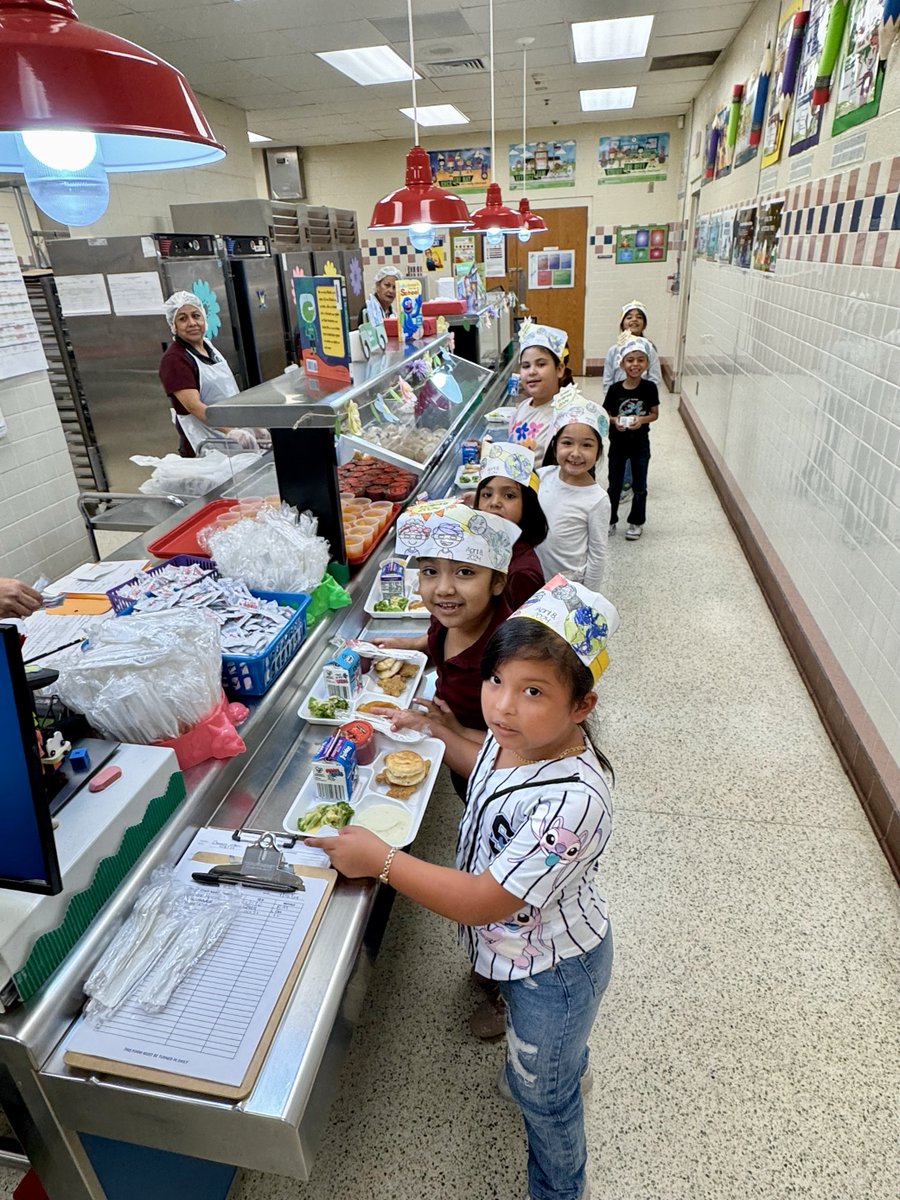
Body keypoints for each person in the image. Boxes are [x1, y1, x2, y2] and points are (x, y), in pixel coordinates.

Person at [306, 574, 619, 1200]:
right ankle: (556, 1066)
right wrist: (439, 730)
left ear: (581, 706)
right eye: (496, 681)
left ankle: (560, 1185)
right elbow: (483, 766)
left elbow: (485, 899)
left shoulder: (573, 801)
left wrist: (383, 861)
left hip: (553, 968)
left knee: (545, 1101)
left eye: (533, 691)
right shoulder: (520, 743)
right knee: (545, 1060)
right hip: (515, 951)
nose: (503, 706)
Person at [370, 501, 519, 739]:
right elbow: (440, 642)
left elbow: (516, 747)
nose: (443, 589)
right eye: (430, 571)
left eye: (465, 572)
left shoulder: (510, 657)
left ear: (498, 582)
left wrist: (450, 731)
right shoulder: (449, 616)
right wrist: (410, 645)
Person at [158, 290, 258, 458]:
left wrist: (252, 427)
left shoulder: (209, 347)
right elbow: (194, 406)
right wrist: (231, 432)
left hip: (234, 440)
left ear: (204, 317)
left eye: (196, 316)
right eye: (182, 319)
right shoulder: (174, 359)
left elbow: (228, 393)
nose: (192, 323)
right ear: (173, 326)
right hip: (207, 448)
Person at [536, 387, 611, 589]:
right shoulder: (543, 476)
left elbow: (597, 554)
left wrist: (590, 597)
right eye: (567, 443)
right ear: (555, 446)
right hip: (534, 576)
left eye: (587, 445)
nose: (576, 453)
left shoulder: (597, 499)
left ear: (598, 452)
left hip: (569, 586)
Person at [473, 442, 547, 608]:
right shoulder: (490, 547)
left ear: (527, 504)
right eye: (486, 494)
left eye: (509, 495)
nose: (495, 502)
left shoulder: (521, 574)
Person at [603, 337, 660, 541]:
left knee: (640, 486)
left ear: (646, 364)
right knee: (614, 485)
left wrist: (641, 420)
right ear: (622, 363)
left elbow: (654, 414)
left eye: (640, 360)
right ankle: (610, 520)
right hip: (618, 444)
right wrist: (615, 420)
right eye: (630, 360)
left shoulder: (649, 388)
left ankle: (636, 522)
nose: (635, 364)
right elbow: (605, 414)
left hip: (640, 444)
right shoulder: (615, 390)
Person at [507, 320, 573, 461]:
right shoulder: (522, 408)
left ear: (559, 369)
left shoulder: (566, 415)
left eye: (541, 364)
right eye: (525, 366)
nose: (531, 372)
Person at [601, 300, 661, 394]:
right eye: (629, 317)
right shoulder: (613, 351)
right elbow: (607, 380)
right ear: (622, 323)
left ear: (644, 324)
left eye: (639, 317)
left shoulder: (649, 350)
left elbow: (654, 379)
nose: (634, 319)